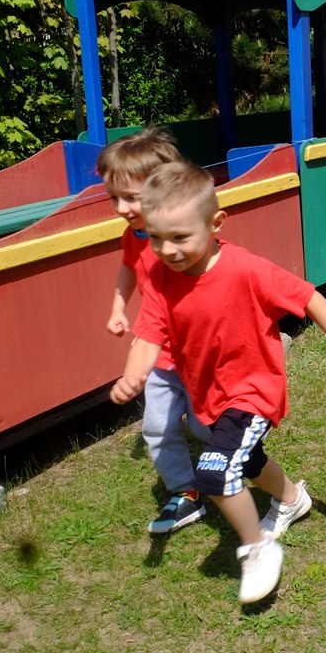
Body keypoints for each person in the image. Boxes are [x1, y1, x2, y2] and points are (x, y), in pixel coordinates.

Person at [109, 162, 326, 603]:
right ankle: (291, 499)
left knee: (215, 471)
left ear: (216, 223)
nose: (167, 250)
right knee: (247, 460)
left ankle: (257, 549)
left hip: (252, 390)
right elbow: (149, 334)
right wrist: (134, 374)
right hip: (210, 396)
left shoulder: (244, 269)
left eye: (180, 237)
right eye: (156, 238)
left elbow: (309, 297)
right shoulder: (159, 276)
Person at [96, 128, 210, 535]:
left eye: (130, 197)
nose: (121, 208)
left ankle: (236, 458)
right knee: (157, 427)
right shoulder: (133, 236)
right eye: (114, 198)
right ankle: (185, 491)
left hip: (198, 355)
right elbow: (129, 268)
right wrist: (118, 307)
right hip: (159, 356)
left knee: (204, 425)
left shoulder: (187, 238)